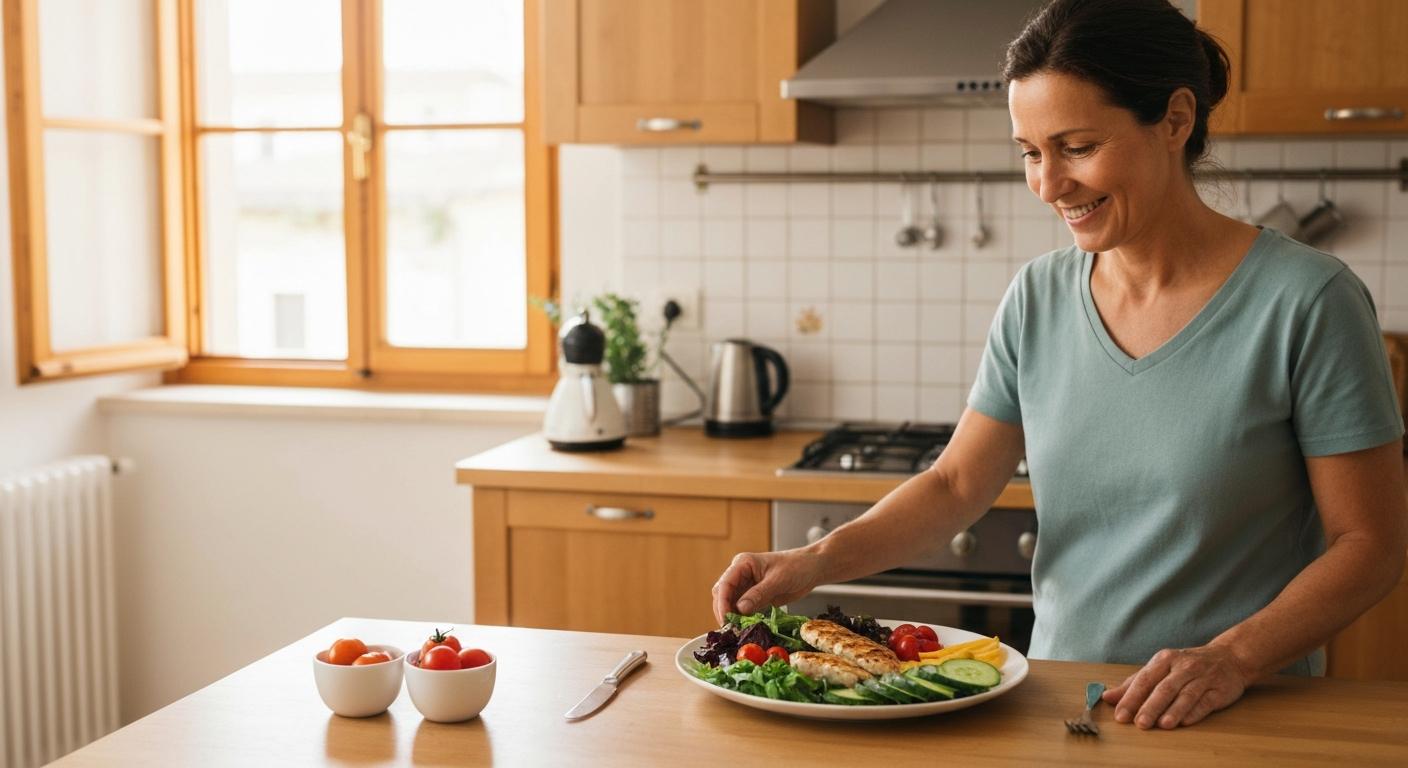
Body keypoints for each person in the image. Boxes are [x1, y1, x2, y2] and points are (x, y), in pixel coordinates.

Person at [710, 0, 1408, 731]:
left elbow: (1369, 545)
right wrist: (815, 560)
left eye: (1075, 146)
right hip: (1063, 708)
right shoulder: (1037, 296)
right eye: (1029, 153)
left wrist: (1230, 658)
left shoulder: (1308, 301)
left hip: (1237, 713)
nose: (1047, 184)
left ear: (1174, 120)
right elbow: (954, 484)